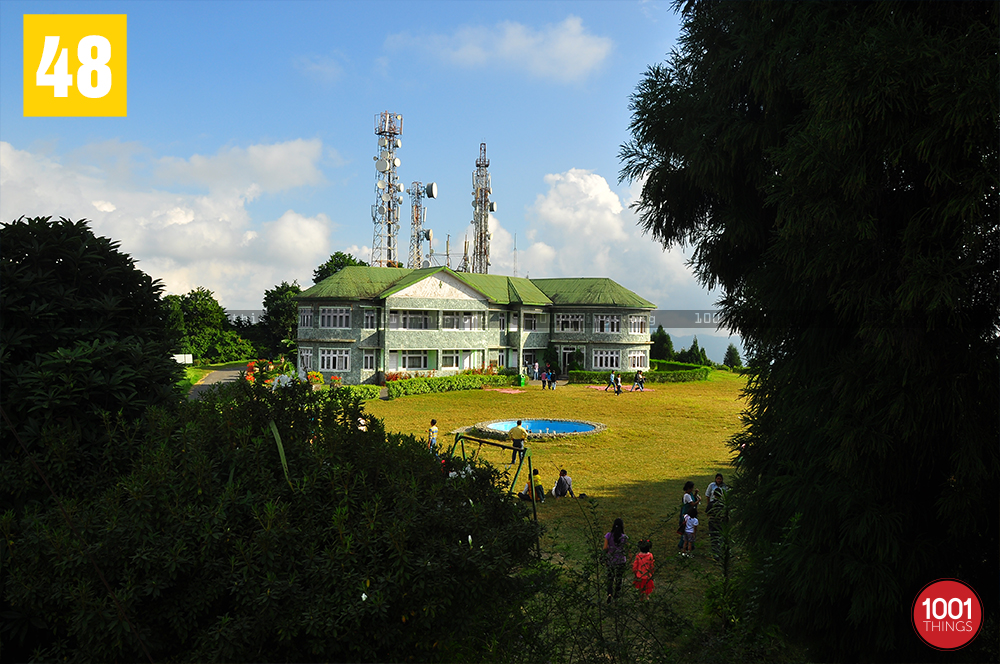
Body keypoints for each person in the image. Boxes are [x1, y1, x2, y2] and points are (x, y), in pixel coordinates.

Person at [603, 518, 629, 602]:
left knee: (610, 578)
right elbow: (628, 549)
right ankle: (616, 595)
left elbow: (605, 548)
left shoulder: (608, 535)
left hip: (611, 560)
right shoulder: (624, 537)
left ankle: (609, 593)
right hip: (621, 560)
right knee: (619, 578)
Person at [706, 474, 728, 557]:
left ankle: (715, 552)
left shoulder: (712, 504)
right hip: (720, 521)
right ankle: (720, 551)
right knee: (719, 536)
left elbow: (707, 513)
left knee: (713, 537)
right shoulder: (722, 505)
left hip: (712, 522)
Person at [677, 481, 701, 549]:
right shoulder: (686, 495)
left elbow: (692, 498)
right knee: (688, 529)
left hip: (690, 513)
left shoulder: (689, 494)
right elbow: (692, 503)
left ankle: (686, 545)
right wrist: (699, 500)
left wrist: (695, 493)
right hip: (688, 513)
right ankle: (685, 545)